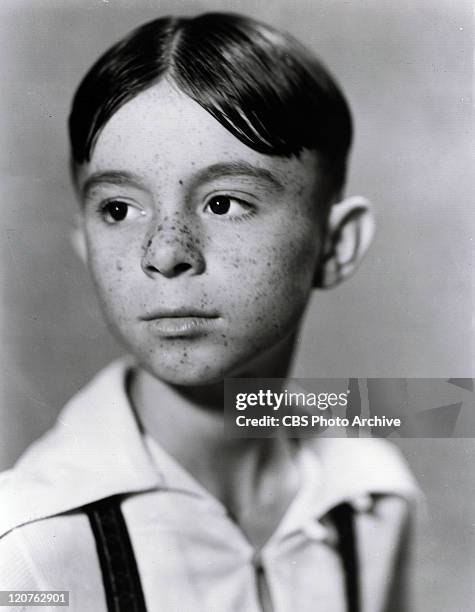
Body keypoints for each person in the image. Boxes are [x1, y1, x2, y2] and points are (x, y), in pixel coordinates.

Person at [0, 12, 418, 612]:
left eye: (224, 203)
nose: (165, 252)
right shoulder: (29, 545)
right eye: (119, 210)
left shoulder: (370, 499)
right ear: (84, 245)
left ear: (336, 243)